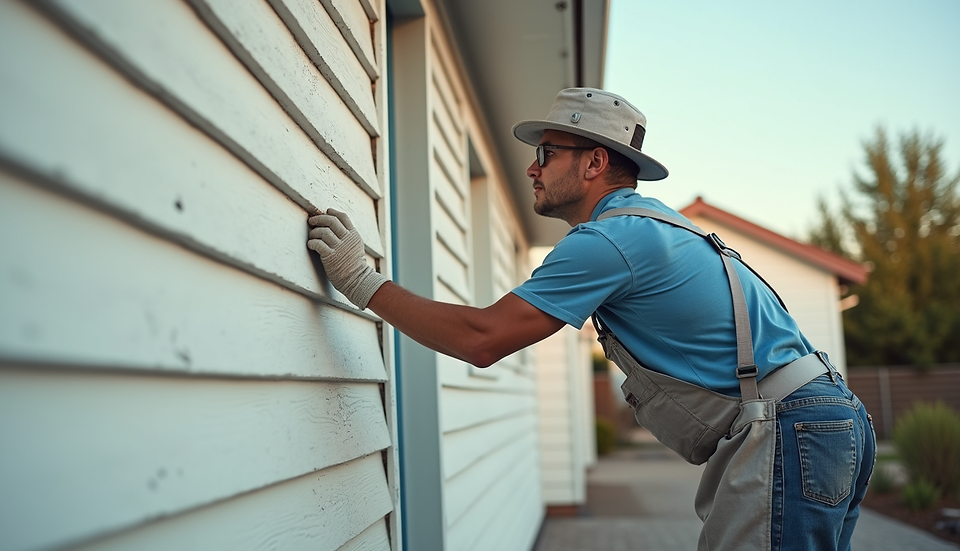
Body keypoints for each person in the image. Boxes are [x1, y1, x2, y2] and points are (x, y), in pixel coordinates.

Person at [307, 87, 876, 551]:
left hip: (792, 428)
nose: (531, 168)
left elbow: (484, 338)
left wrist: (363, 282)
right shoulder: (658, 227)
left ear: (595, 163)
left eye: (547, 153)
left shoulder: (610, 240)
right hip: (828, 419)